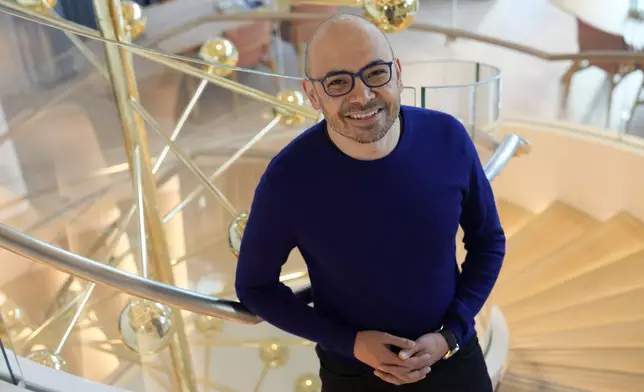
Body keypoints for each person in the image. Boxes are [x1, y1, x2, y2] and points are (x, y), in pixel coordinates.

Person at [234, 13, 505, 392]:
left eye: (375, 73)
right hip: (354, 374)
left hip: (453, 357)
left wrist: (451, 333)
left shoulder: (449, 138)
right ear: (312, 94)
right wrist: (352, 343)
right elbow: (255, 287)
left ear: (397, 71)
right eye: (337, 82)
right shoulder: (288, 180)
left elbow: (488, 241)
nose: (361, 96)